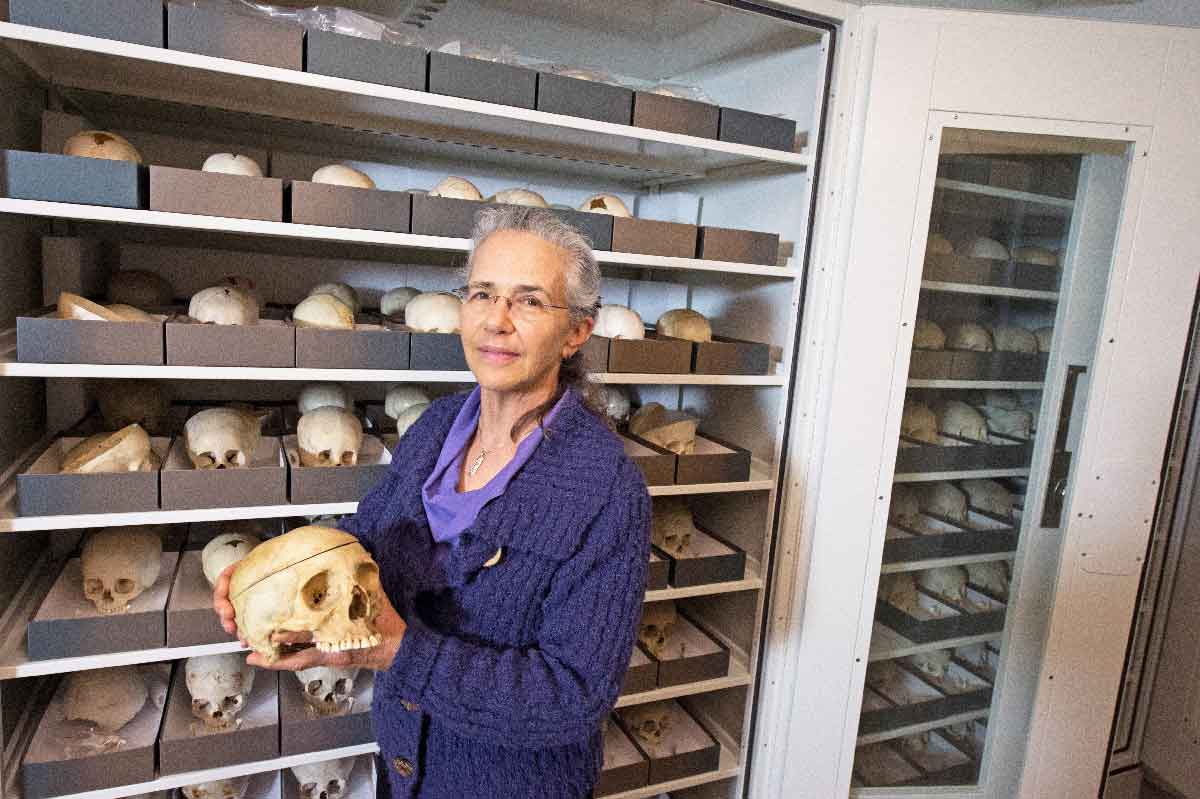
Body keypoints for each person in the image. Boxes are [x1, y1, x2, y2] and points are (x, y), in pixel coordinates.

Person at [213, 206, 652, 799]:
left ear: (576, 331)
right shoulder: (436, 429)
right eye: (481, 294)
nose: (496, 321)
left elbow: (572, 699)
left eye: (527, 301)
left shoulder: (606, 491)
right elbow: (366, 536)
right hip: (401, 773)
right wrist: (280, 576)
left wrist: (397, 649)